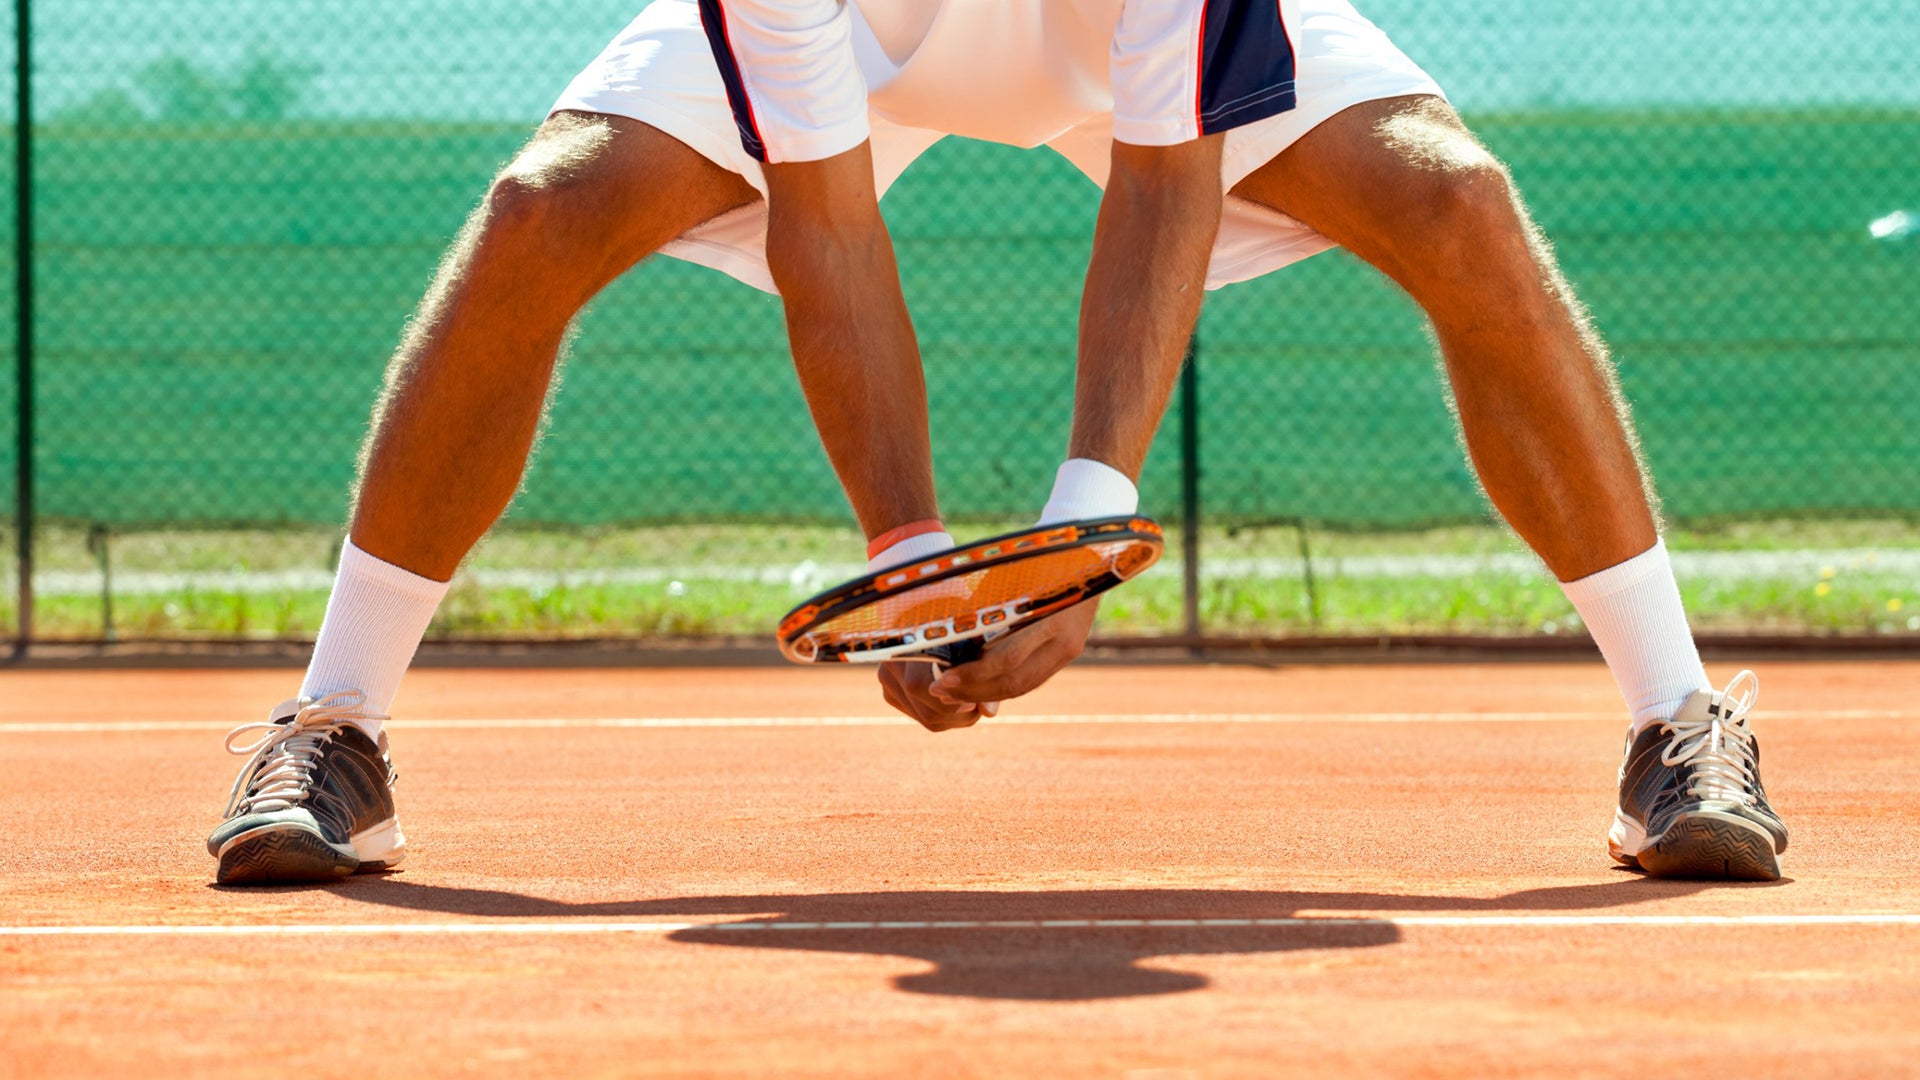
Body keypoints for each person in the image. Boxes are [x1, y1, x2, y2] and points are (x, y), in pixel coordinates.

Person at [209, 0, 1786, 887]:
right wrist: (915, 567)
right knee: (539, 212)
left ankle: (1679, 722)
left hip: (1118, 47)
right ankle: (333, 729)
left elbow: (1166, 182)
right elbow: (824, 226)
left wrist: (1083, 534)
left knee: (1457, 200)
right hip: (856, 41)